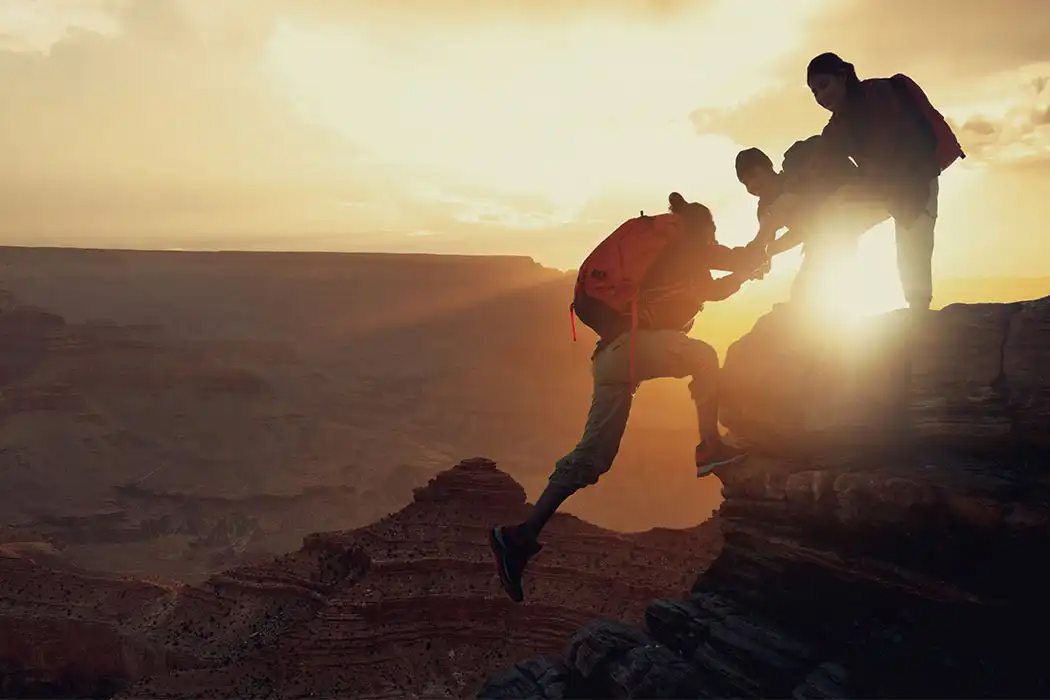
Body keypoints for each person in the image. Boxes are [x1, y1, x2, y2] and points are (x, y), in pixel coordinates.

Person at [489, 192, 769, 603]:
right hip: (633, 349)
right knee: (705, 358)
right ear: (700, 230)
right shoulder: (689, 247)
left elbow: (717, 287)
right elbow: (735, 262)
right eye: (710, 232)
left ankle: (519, 536)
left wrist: (748, 269)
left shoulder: (671, 260)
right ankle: (710, 445)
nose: (712, 240)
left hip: (612, 358)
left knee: (592, 456)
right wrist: (770, 236)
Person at [802, 52, 965, 313]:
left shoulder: (878, 94)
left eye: (824, 85)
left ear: (843, 77)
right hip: (883, 189)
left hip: (917, 180)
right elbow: (817, 168)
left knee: (913, 249)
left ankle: (919, 316)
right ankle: (832, 301)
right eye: (814, 92)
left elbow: (891, 146)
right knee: (836, 223)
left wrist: (854, 189)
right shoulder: (837, 126)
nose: (821, 97)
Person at [734, 138, 883, 304]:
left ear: (768, 167)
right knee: (805, 291)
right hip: (829, 234)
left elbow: (781, 210)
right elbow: (775, 238)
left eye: (753, 175)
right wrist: (759, 260)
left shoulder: (795, 172)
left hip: (857, 203)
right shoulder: (764, 207)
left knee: (818, 279)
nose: (752, 185)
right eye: (746, 183)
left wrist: (758, 244)